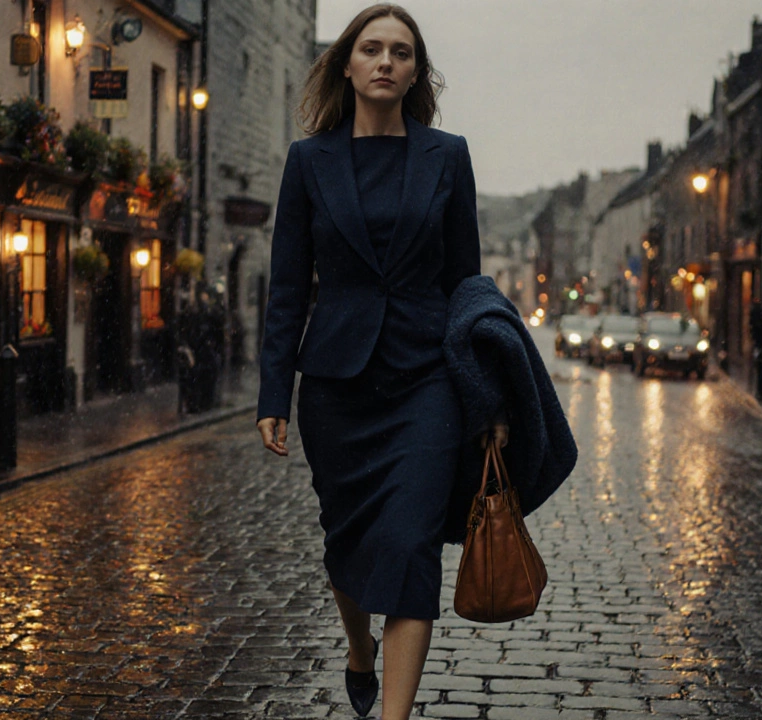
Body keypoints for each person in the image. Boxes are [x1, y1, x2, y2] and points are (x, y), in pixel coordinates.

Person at [254, 5, 500, 718]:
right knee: (348, 541)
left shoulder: (446, 155)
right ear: (348, 65)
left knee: (410, 543)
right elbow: (287, 287)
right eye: (372, 48)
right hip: (336, 384)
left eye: (401, 51)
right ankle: (358, 649)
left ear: (416, 70)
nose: (387, 61)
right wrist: (275, 393)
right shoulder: (309, 162)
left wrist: (486, 402)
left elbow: (468, 289)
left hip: (427, 382)